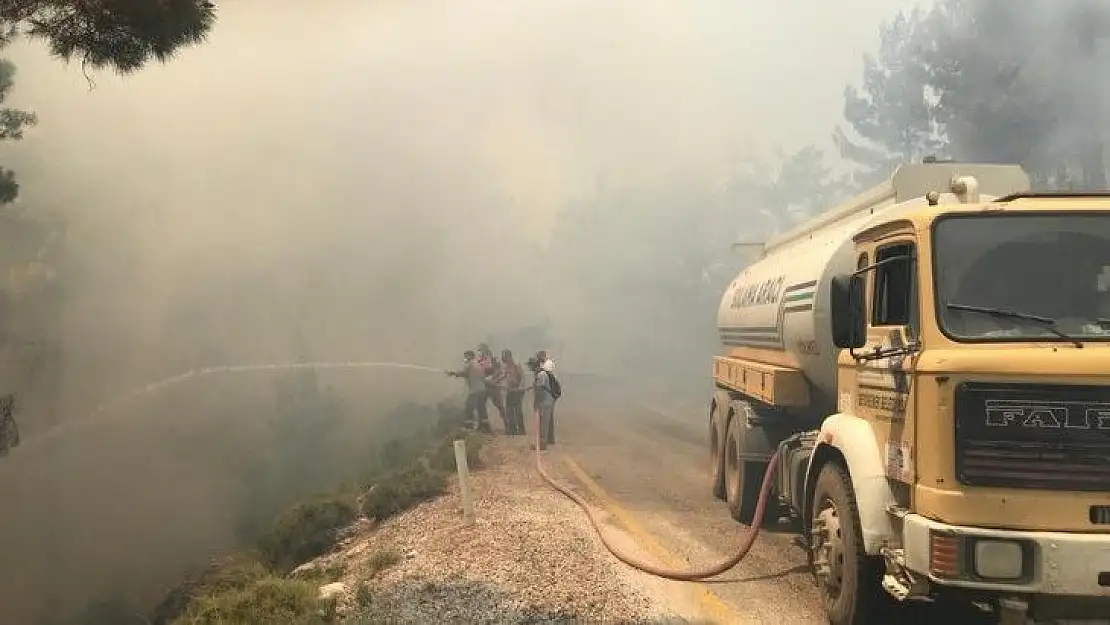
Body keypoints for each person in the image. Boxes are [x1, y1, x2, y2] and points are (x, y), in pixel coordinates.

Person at [445, 350, 492, 433]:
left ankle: (469, 427)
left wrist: (451, 373)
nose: (465, 358)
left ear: (470, 356)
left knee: (468, 407)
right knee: (481, 409)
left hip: (474, 390)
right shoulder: (478, 364)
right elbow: (473, 375)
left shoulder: (470, 364)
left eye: (466, 356)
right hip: (482, 389)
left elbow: (463, 373)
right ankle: (485, 427)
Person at [529, 353, 559, 450]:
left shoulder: (542, 375)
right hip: (548, 401)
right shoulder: (544, 374)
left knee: (543, 424)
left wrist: (536, 403)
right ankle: (544, 442)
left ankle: (542, 443)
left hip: (544, 402)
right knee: (544, 423)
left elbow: (540, 390)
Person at [500, 349, 526, 436]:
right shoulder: (506, 366)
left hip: (517, 391)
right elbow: (504, 376)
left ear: (509, 356)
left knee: (518, 411)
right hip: (510, 391)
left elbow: (522, 377)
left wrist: (520, 388)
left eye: (504, 356)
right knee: (509, 411)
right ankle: (512, 430)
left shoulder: (516, 365)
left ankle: (521, 430)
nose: (502, 358)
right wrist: (494, 381)